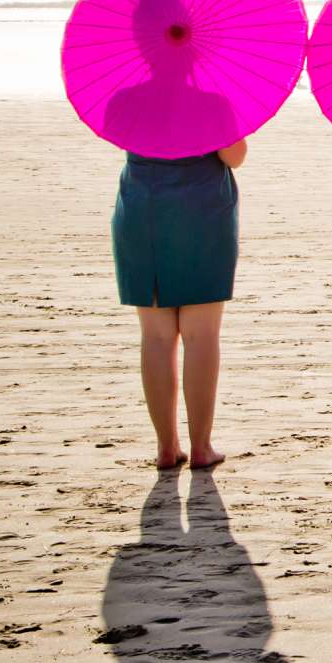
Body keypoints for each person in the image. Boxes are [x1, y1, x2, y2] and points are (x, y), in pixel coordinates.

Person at [114, 136, 247, 469]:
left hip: (142, 211)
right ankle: (201, 446)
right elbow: (235, 156)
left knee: (156, 337)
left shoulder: (126, 98)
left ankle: (166, 447)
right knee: (200, 335)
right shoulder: (214, 101)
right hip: (202, 212)